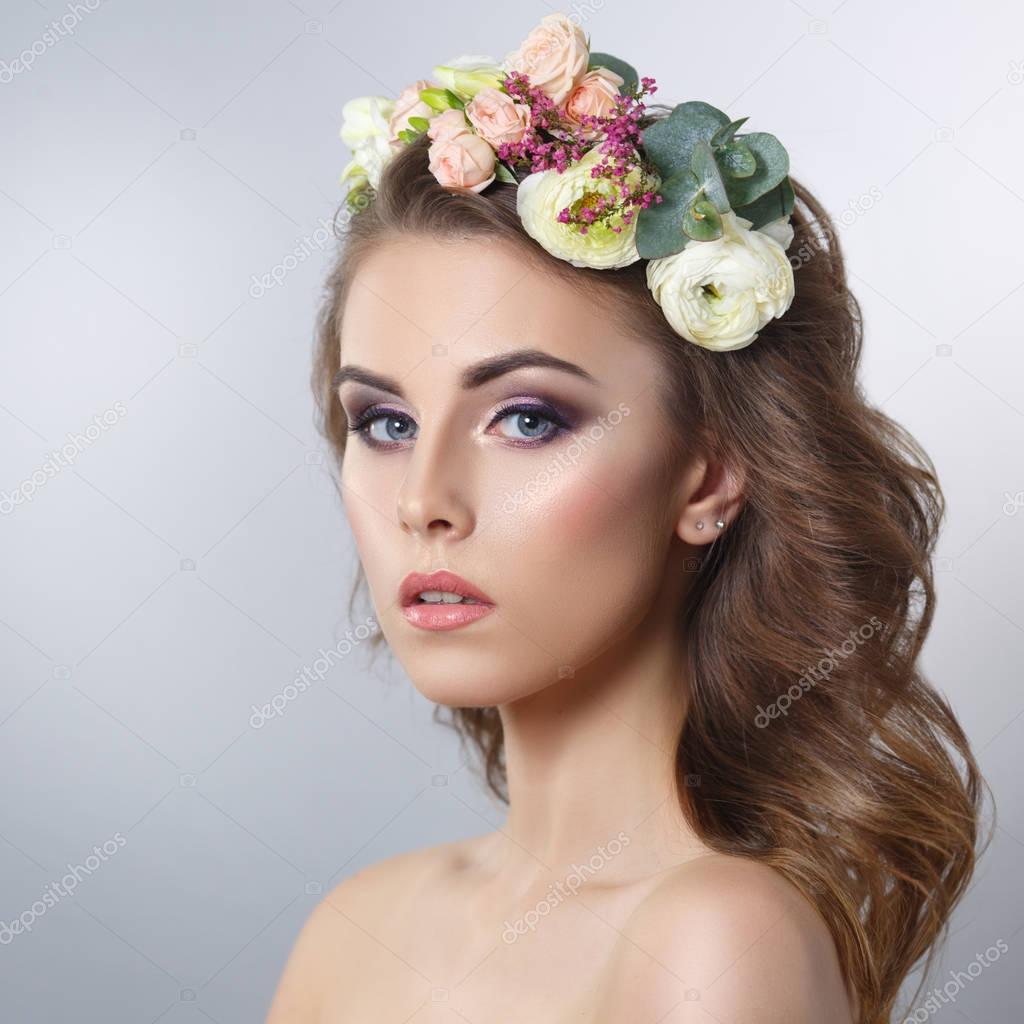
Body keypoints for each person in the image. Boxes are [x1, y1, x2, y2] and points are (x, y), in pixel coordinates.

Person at [266, 15, 989, 1023]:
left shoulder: (717, 943)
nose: (422, 500)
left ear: (709, 477)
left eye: (525, 417)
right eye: (383, 420)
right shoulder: (356, 925)